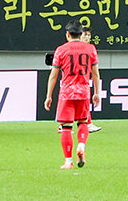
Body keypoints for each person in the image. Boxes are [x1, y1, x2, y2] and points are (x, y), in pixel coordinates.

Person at [44, 20, 100, 169]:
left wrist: (49, 96)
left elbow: (53, 75)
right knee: (83, 122)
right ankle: (81, 146)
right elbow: (95, 73)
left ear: (68, 34)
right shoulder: (91, 49)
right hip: (83, 91)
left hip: (67, 92)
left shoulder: (61, 50)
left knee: (67, 127)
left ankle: (68, 161)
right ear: (81, 34)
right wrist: (97, 93)